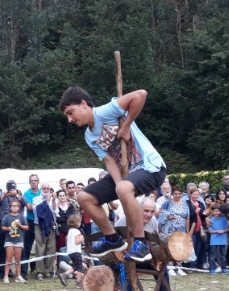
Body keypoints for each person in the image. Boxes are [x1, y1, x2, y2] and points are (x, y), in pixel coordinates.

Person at [60, 86, 167, 263]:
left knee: (124, 187)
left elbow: (141, 95)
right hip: (127, 174)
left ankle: (141, 245)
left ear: (84, 104)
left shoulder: (105, 112)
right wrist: (119, 187)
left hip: (150, 168)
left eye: (71, 112)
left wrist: (125, 126)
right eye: (67, 116)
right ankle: (112, 238)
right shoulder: (89, 136)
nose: (70, 119)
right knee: (84, 197)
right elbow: (110, 162)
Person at [31, 182, 57, 280]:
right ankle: (40, 271)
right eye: (44, 188)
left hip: (51, 226)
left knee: (51, 248)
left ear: (50, 189)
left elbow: (56, 212)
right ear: (41, 189)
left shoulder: (53, 200)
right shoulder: (36, 199)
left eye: (48, 188)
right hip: (39, 226)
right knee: (40, 249)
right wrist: (47, 200)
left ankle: (48, 270)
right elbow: (38, 211)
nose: (46, 190)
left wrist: (54, 201)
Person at [0, 199, 28, 283]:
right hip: (9, 240)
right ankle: (6, 276)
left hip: (19, 239)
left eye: (16, 206)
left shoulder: (21, 216)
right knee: (8, 258)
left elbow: (26, 227)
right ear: (10, 207)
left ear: (19, 207)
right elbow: (2, 227)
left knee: (18, 259)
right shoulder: (7, 217)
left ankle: (18, 276)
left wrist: (20, 225)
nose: (14, 207)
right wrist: (8, 228)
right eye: (13, 206)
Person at [59, 214, 85, 288]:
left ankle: (65, 274)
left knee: (75, 266)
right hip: (76, 251)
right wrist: (82, 238)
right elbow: (77, 241)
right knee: (80, 268)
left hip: (70, 252)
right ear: (77, 222)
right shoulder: (77, 231)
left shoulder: (70, 231)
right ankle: (78, 282)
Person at [207, 204, 229, 274]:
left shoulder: (224, 219)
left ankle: (224, 268)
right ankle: (212, 268)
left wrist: (223, 231)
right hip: (214, 240)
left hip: (223, 239)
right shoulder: (210, 220)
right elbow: (210, 231)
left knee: (223, 255)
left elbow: (228, 228)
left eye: (219, 211)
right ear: (213, 212)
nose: (217, 213)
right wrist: (217, 231)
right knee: (212, 255)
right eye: (216, 211)